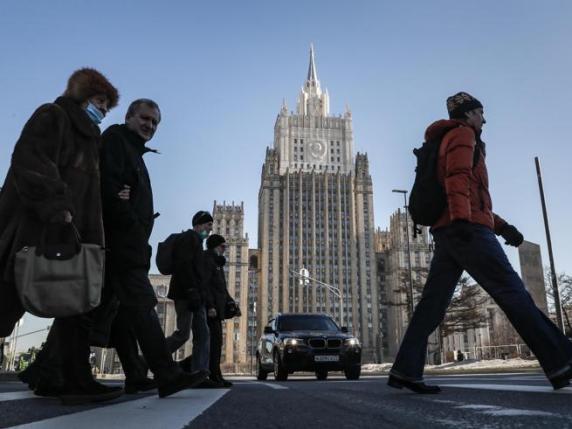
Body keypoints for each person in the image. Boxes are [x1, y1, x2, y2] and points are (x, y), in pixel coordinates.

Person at [388, 92, 572, 393]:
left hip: (449, 233)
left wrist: (502, 227)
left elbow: (471, 198)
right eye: (480, 113)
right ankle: (562, 360)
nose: (484, 119)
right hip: (467, 231)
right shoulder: (463, 135)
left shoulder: (447, 138)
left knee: (431, 307)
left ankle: (405, 370)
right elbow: (457, 179)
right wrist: (463, 222)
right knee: (513, 294)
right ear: (467, 114)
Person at [0, 68, 124, 404]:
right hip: (37, 231)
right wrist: (56, 208)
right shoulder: (52, 116)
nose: (102, 109)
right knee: (8, 300)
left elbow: (90, 192)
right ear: (82, 95)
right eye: (100, 101)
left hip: (75, 236)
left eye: (106, 106)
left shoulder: (91, 138)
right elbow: (30, 161)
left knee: (76, 306)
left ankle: (73, 377)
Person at [100, 99, 208, 398]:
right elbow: (109, 187)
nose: (150, 125)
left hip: (127, 244)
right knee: (143, 304)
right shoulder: (116, 140)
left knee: (120, 314)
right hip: (122, 244)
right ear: (129, 117)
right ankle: (166, 372)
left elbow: (125, 191)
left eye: (155, 122)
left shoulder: (132, 148)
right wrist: (130, 219)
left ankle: (135, 374)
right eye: (145, 118)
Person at [166, 211, 213, 379]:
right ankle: (152, 357)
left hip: (196, 297)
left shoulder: (198, 242)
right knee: (183, 334)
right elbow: (183, 265)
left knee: (203, 334)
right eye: (208, 226)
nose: (209, 230)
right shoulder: (189, 238)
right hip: (186, 295)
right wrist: (191, 291)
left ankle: (200, 373)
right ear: (199, 224)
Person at [204, 234, 240, 388]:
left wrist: (232, 304)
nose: (225, 249)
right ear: (214, 246)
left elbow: (221, 288)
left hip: (217, 310)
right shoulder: (208, 260)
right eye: (222, 246)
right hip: (210, 310)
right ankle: (213, 375)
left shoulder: (217, 263)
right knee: (213, 342)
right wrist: (210, 306)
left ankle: (216, 375)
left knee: (216, 343)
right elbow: (205, 285)